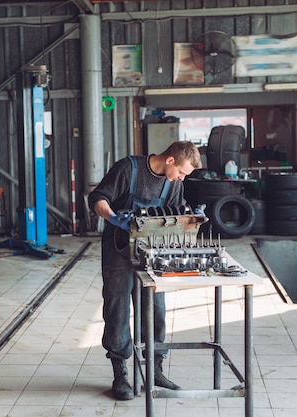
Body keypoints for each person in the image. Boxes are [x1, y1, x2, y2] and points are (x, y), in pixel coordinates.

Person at [88, 141, 202, 400]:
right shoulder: (128, 169)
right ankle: (120, 374)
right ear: (170, 160)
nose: (182, 179)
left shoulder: (173, 183)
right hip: (119, 250)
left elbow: (173, 214)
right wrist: (112, 217)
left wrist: (189, 217)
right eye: (182, 172)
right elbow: (97, 198)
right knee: (117, 309)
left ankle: (155, 369)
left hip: (151, 253)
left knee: (155, 310)